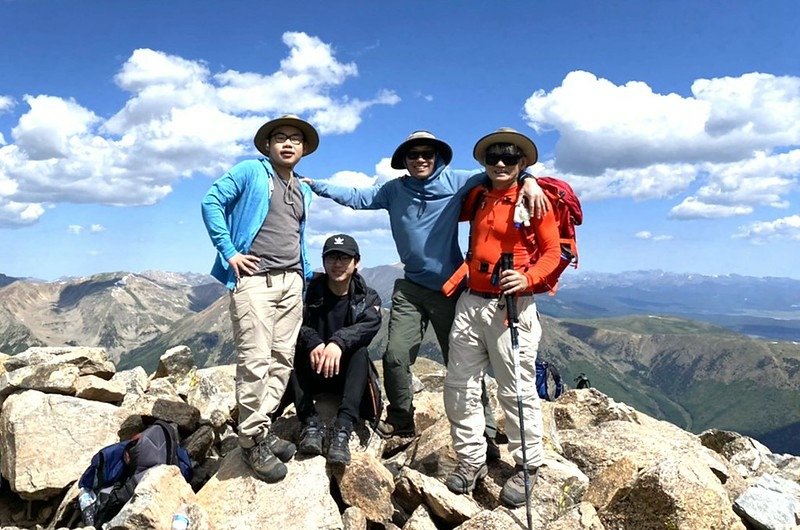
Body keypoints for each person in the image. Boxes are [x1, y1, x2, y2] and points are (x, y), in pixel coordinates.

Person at [304, 131, 548, 458]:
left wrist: (530, 179)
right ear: (403, 160)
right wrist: (314, 184)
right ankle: (402, 421)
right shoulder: (393, 190)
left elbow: (500, 173)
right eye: (413, 154)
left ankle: (486, 431)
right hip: (411, 287)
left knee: (463, 364)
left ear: (437, 158)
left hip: (452, 289)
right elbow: (356, 196)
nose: (421, 158)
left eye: (427, 154)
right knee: (394, 356)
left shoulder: (457, 181)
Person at [442, 128, 562, 508]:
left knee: (516, 388)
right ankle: (471, 459)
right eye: (493, 156)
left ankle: (528, 465)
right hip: (471, 300)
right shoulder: (479, 195)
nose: (500, 163)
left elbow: (552, 252)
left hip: (513, 306)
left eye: (510, 158)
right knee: (459, 384)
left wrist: (526, 277)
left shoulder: (535, 199)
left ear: (522, 162)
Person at [201, 114, 317, 483]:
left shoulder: (302, 187)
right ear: (267, 146)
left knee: (281, 360)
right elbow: (211, 201)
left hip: (291, 282)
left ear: (303, 149)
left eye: (295, 139)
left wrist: (304, 273)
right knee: (255, 361)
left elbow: (296, 234)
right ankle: (250, 443)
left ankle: (258, 431)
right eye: (279, 138)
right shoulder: (252, 171)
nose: (287, 143)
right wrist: (229, 251)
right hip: (255, 281)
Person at [291, 233, 382, 465]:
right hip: (314, 369)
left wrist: (337, 342)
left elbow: (369, 326)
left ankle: (343, 428)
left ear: (356, 262)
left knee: (360, 352)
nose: (337, 264)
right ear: (323, 262)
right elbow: (291, 322)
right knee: (291, 350)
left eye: (344, 258)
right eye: (331, 258)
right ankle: (310, 423)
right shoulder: (309, 292)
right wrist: (312, 341)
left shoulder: (367, 297)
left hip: (347, 378)